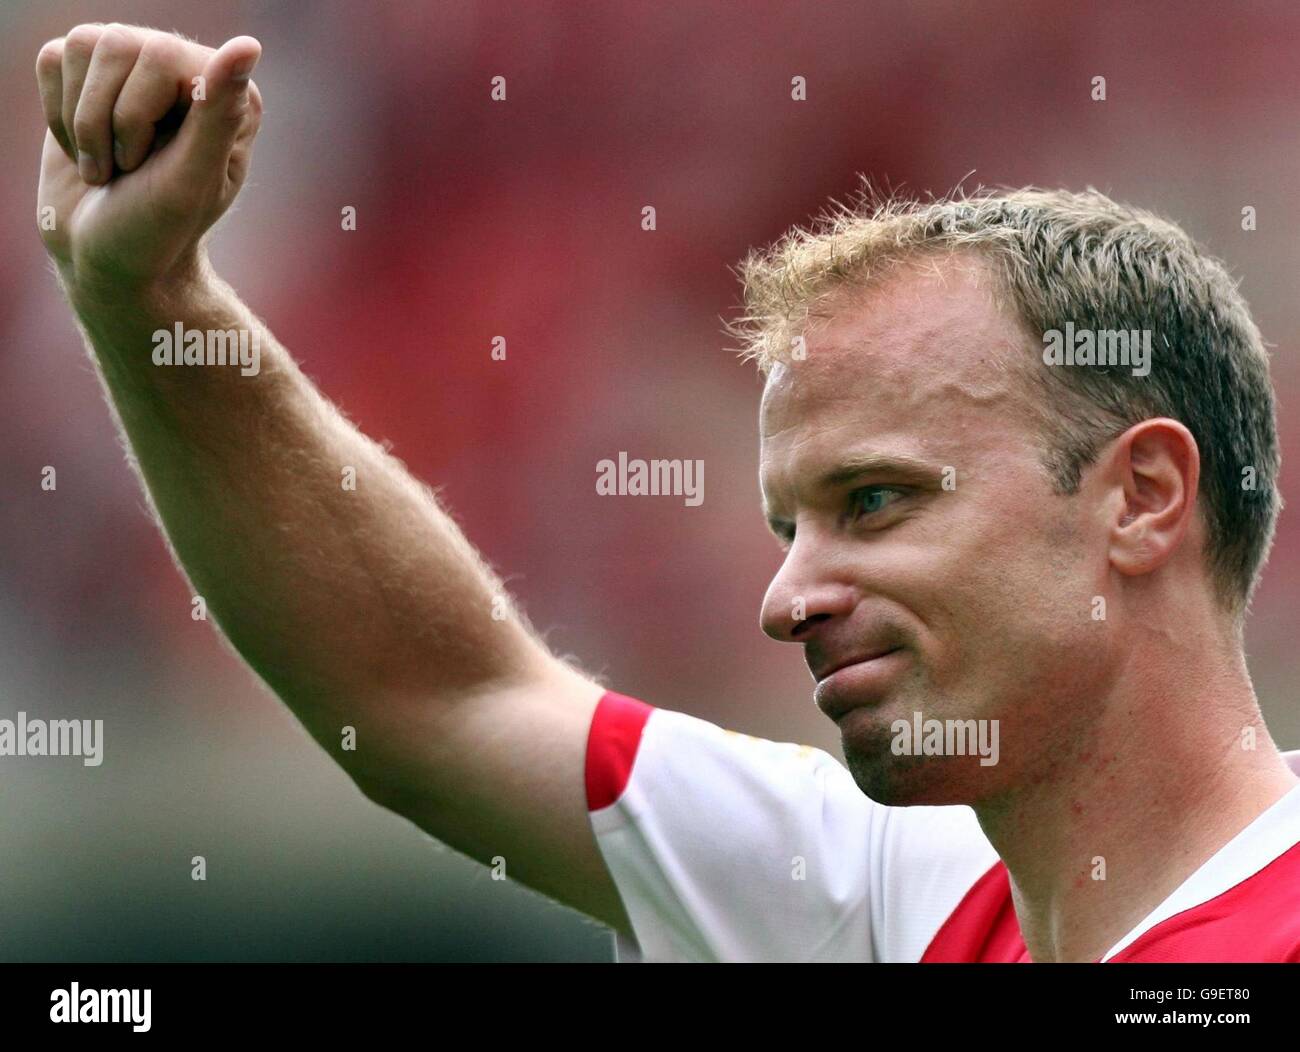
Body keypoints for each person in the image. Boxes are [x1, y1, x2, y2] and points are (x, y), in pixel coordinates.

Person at [36, 23, 1300, 963]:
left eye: (874, 502)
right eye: (787, 524)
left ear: (1140, 497)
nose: (787, 595)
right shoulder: (888, 883)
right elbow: (432, 696)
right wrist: (149, 298)